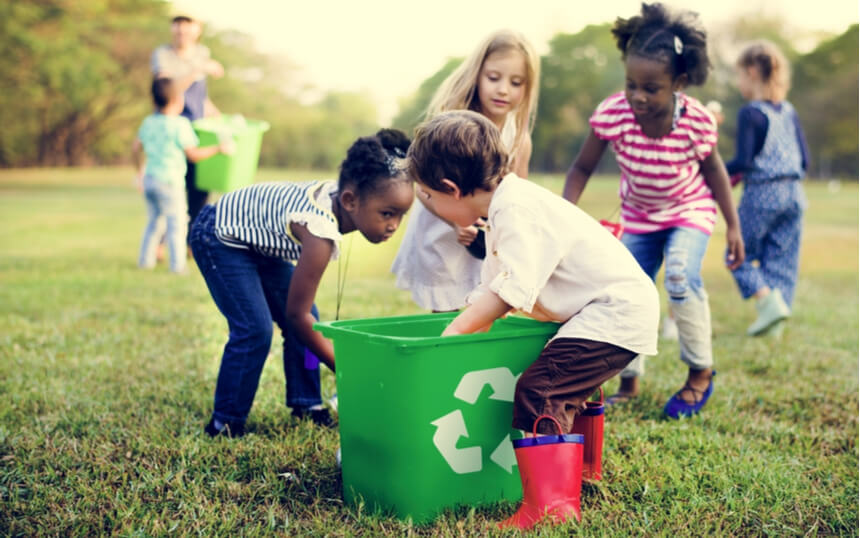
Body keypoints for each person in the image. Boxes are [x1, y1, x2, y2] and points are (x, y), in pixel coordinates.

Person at [408, 109, 659, 529]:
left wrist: (454, 333)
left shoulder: (516, 211)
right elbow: (494, 287)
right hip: (606, 310)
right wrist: (471, 320)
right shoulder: (509, 204)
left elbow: (509, 291)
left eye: (429, 198)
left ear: (451, 189)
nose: (429, 206)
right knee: (567, 386)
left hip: (613, 312)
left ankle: (551, 509)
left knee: (542, 390)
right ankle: (580, 475)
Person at [562, 3, 745, 418]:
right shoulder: (614, 113)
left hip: (688, 210)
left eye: (651, 87)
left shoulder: (695, 121)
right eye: (631, 84)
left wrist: (733, 226)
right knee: (627, 291)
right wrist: (565, 217)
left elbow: (715, 172)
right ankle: (630, 378)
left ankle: (700, 373)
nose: (638, 96)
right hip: (640, 217)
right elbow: (581, 167)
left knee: (680, 275)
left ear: (679, 83)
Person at [189, 130, 414, 438]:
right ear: (349, 200)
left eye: (401, 215)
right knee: (255, 329)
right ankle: (225, 422)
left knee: (311, 323)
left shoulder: (344, 198)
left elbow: (303, 316)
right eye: (387, 214)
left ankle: (307, 403)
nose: (393, 226)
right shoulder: (319, 232)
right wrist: (343, 366)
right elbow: (297, 315)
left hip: (258, 244)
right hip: (218, 236)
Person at [391, 29, 540, 312]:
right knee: (446, 308)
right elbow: (422, 186)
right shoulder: (451, 125)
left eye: (516, 82)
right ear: (477, 75)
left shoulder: (518, 139)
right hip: (442, 232)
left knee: (483, 306)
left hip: (484, 239)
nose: (503, 89)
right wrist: (456, 223)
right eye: (493, 78)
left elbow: (517, 198)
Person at [724, 40, 809, 337]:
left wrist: (711, 169)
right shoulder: (789, 111)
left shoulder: (751, 113)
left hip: (763, 193)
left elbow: (743, 161)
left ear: (751, 72)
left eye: (738, 75)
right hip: (795, 194)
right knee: (781, 261)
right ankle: (775, 327)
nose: (738, 83)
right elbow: (805, 159)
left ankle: (767, 304)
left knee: (738, 255)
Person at [133, 77, 231, 274]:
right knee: (177, 223)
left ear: (154, 101)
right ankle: (177, 266)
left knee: (154, 221)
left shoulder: (149, 122)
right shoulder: (180, 125)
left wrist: (139, 171)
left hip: (150, 179)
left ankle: (145, 261)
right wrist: (219, 148)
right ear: (179, 101)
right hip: (170, 181)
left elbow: (136, 147)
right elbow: (193, 154)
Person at [151, 14, 224, 240]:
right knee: (172, 188)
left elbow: (200, 96)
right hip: (171, 128)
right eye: (178, 28)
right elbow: (167, 90)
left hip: (198, 128)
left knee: (199, 189)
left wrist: (216, 115)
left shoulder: (202, 53)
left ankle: (194, 242)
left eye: (186, 28)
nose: (181, 33)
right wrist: (197, 69)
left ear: (197, 30)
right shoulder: (162, 55)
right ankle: (162, 243)